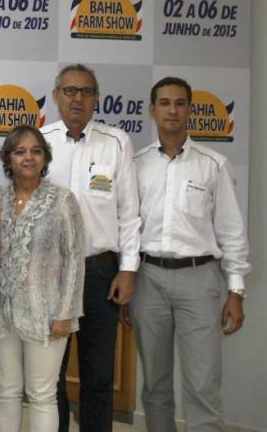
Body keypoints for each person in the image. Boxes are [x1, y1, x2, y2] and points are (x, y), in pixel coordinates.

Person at [122, 77, 250, 431]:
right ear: (152, 110)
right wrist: (128, 282)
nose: (172, 110)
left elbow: (231, 230)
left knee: (203, 384)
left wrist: (236, 291)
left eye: (180, 103)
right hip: (147, 280)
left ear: (190, 110)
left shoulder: (213, 164)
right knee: (155, 384)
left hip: (199, 279)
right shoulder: (136, 164)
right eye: (164, 103)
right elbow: (128, 226)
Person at [40, 64, 141, 432]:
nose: (77, 99)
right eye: (69, 91)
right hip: (50, 274)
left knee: (98, 376)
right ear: (56, 96)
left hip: (100, 273)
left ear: (96, 98)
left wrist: (127, 270)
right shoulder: (40, 141)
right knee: (50, 374)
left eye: (85, 92)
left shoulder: (116, 142)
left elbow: (129, 212)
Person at [0, 125, 85, 431]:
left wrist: (66, 313)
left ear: (45, 158)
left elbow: (75, 260)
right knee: (6, 392)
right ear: (8, 159)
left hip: (47, 314)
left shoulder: (63, 200)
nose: (28, 158)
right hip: (1, 312)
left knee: (42, 395)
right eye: (20, 151)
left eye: (36, 151)